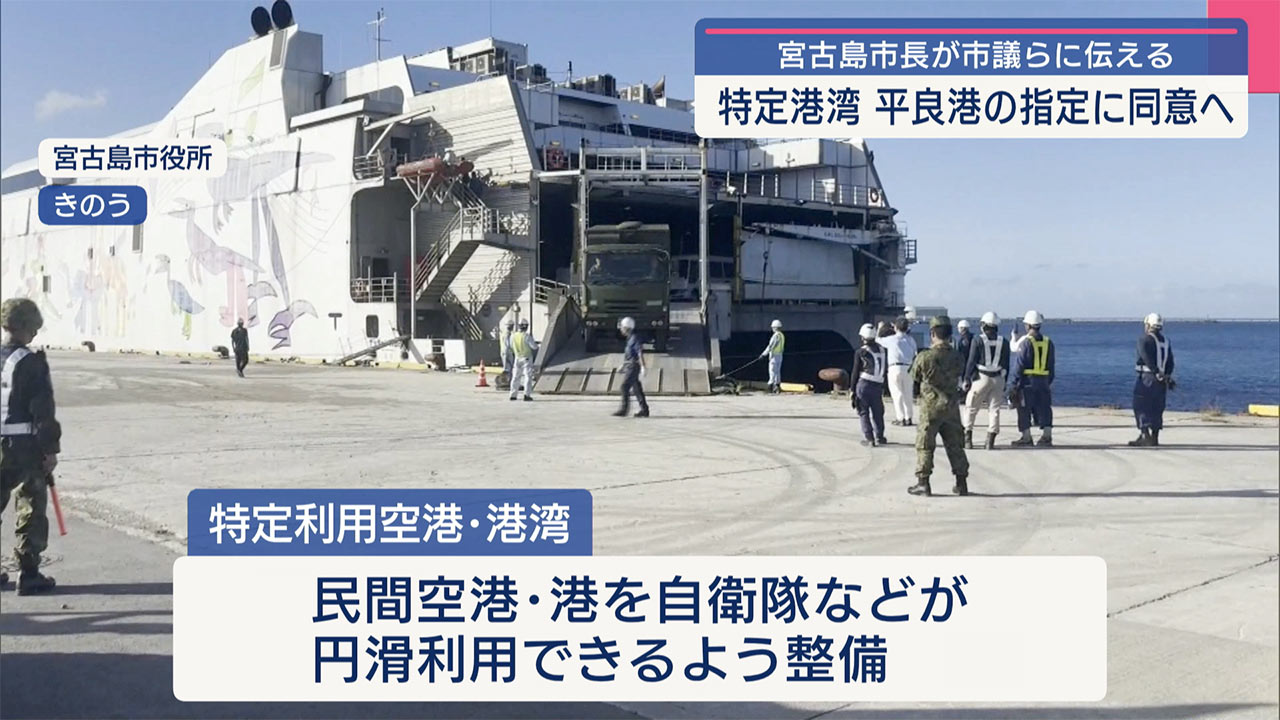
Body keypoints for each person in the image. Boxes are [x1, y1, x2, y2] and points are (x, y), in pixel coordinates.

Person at [0, 298, 60, 594]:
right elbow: (43, 411)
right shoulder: (31, 363)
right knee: (31, 505)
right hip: (24, 447)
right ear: (27, 327)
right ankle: (29, 572)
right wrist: (50, 450)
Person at [907, 316, 970, 496]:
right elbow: (961, 372)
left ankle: (923, 483)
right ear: (950, 335)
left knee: (925, 444)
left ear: (932, 333)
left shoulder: (924, 357)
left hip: (930, 408)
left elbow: (914, 376)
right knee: (955, 445)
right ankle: (961, 483)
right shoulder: (957, 356)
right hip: (951, 406)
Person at [1007, 310, 1055, 447]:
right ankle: (1047, 436)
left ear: (1028, 325)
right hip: (1044, 381)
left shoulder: (1026, 343)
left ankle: (1026, 437)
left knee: (1023, 409)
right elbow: (1051, 366)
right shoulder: (1048, 342)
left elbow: (1019, 365)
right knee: (1045, 407)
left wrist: (1013, 385)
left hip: (1027, 382)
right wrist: (1047, 381)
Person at [964, 312, 1010, 450]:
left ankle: (967, 439)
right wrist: (1004, 381)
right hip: (998, 378)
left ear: (983, 325)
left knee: (971, 407)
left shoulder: (977, 340)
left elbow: (971, 361)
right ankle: (990, 441)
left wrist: (966, 377)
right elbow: (1006, 364)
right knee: (994, 410)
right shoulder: (1004, 341)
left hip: (981, 377)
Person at [1130, 313, 1175, 447]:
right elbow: (1170, 362)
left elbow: (1146, 358)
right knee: (1157, 407)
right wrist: (1167, 376)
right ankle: (1154, 437)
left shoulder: (1144, 340)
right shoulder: (1166, 342)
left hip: (1147, 378)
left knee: (1141, 405)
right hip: (1161, 381)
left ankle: (1145, 435)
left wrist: (1155, 372)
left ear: (1148, 325)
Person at [851, 323, 888, 447]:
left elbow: (855, 372)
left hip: (864, 384)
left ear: (862, 337)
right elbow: (885, 370)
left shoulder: (861, 352)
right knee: (878, 412)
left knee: (863, 411)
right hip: (878, 385)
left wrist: (852, 390)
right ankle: (880, 436)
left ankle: (869, 438)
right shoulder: (884, 350)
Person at [613, 316, 650, 418]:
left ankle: (624, 410)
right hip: (630, 365)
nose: (621, 329)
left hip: (633, 366)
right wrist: (623, 365)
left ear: (626, 328)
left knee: (624, 387)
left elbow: (639, 352)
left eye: (622, 327)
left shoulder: (635, 338)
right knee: (637, 388)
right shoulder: (630, 338)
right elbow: (630, 354)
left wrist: (643, 366)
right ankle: (644, 410)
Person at [884, 317, 918, 426]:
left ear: (896, 327)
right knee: (908, 393)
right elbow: (915, 353)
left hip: (895, 367)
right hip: (908, 367)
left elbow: (877, 340)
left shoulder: (892, 339)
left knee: (897, 393)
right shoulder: (911, 340)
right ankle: (909, 417)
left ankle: (900, 418)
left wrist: (880, 328)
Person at [508, 319, 538, 401]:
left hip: (517, 358)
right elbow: (534, 347)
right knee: (527, 376)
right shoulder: (526, 336)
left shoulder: (513, 336)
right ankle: (526, 395)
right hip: (526, 358)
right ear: (526, 326)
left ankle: (513, 395)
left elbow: (511, 346)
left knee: (515, 377)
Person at [760, 319, 785, 394]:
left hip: (774, 356)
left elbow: (770, 346)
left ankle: (770, 386)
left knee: (772, 371)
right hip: (780, 355)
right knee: (777, 371)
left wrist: (763, 354)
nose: (772, 329)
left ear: (775, 327)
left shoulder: (775, 336)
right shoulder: (782, 335)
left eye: (773, 327)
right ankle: (777, 386)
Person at [500, 320, 515, 384]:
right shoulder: (507, 334)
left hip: (503, 351)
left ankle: (506, 381)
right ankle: (506, 381)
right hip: (508, 352)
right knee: (508, 368)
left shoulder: (503, 333)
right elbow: (509, 344)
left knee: (506, 367)